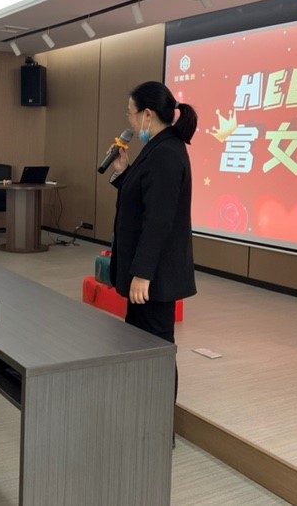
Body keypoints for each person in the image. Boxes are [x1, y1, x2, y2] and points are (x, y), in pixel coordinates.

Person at [107, 80, 198, 404]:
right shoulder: (158, 148)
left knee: (156, 347)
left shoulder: (167, 154)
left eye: (130, 113)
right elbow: (143, 199)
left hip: (155, 278)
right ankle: (142, 410)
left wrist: (143, 273)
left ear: (148, 115)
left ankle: (159, 419)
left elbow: (159, 221)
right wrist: (123, 172)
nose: (129, 121)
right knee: (140, 343)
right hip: (147, 272)